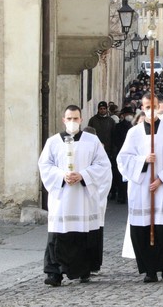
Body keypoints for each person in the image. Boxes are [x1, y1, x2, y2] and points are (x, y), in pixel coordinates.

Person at [118, 94, 163, 282]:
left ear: (159, 107)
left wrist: (161, 179)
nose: (151, 109)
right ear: (142, 108)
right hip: (142, 187)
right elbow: (123, 159)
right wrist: (143, 160)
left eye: (154, 106)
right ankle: (149, 269)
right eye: (147, 106)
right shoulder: (134, 133)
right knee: (143, 229)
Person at [39, 105, 112, 286]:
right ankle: (54, 272)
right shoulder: (53, 142)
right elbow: (45, 166)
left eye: (76, 118)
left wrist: (83, 175)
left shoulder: (92, 141)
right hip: (62, 195)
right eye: (69, 118)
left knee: (82, 233)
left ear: (81, 119)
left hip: (82, 196)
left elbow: (103, 165)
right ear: (64, 120)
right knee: (58, 234)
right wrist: (61, 176)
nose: (72, 122)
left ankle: (82, 270)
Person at [110, 107, 135, 204]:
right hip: (121, 153)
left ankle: (128, 195)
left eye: (130, 114)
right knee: (120, 176)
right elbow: (115, 140)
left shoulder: (134, 127)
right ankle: (121, 195)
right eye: (127, 114)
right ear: (123, 115)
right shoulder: (118, 126)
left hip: (132, 154)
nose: (129, 116)